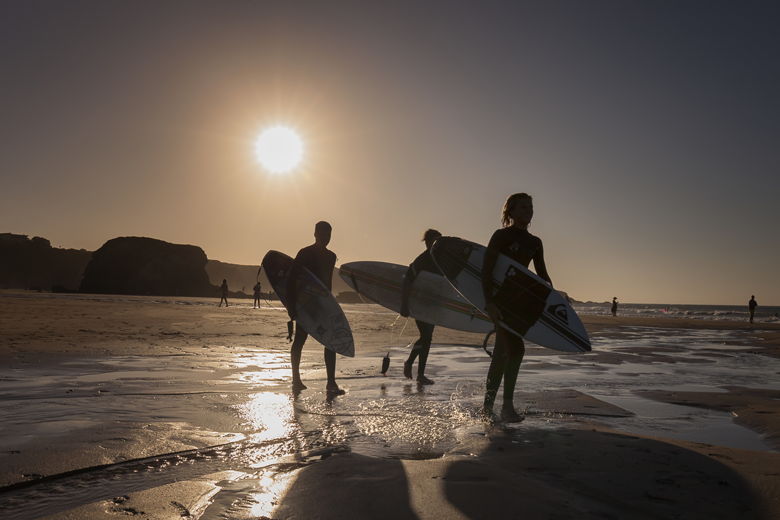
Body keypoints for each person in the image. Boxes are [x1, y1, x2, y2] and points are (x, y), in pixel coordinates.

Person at [482, 193, 552, 423]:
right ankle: (504, 407)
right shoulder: (501, 236)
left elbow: (542, 275)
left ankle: (490, 408)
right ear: (510, 211)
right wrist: (489, 302)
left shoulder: (535, 243)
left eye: (530, 207)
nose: (528, 211)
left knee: (503, 354)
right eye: (522, 207)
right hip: (501, 300)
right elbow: (487, 269)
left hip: (521, 303)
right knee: (515, 349)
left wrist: (555, 298)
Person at [286, 221, 344, 396]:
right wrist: (291, 306)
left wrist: (331, 304)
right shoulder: (305, 253)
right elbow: (291, 279)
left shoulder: (331, 256)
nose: (326, 238)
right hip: (305, 305)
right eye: (323, 234)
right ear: (315, 234)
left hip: (323, 306)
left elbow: (327, 283)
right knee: (300, 340)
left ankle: (331, 383)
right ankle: (296, 379)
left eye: (329, 235)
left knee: (331, 342)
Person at [400, 229, 442, 385]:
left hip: (432, 305)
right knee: (426, 336)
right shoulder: (422, 260)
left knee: (427, 338)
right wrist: (404, 304)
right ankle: (413, 367)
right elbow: (407, 280)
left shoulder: (441, 261)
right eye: (433, 241)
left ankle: (418, 372)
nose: (436, 244)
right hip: (419, 304)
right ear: (427, 242)